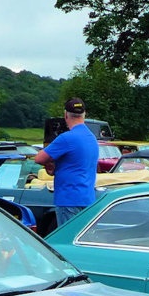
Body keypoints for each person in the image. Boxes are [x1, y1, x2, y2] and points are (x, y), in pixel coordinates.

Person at [34, 97, 98, 226]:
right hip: (87, 198)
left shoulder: (67, 138)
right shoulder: (91, 138)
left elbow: (39, 158)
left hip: (69, 199)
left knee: (68, 239)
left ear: (66, 115)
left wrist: (50, 163)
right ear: (84, 115)